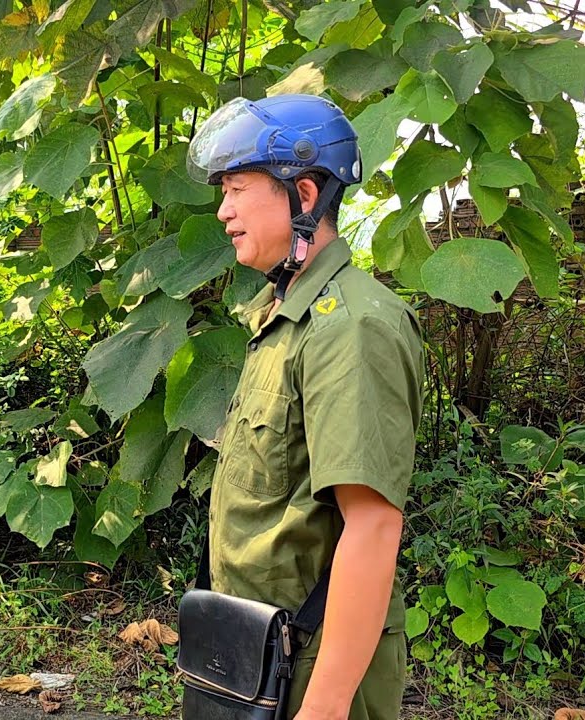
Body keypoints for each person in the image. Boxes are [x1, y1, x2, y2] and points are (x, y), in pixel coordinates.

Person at [186, 94, 424, 720]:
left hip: (312, 667)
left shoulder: (351, 328)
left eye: (238, 189)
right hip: (257, 649)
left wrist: (324, 707)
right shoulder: (286, 319)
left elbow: (372, 524)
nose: (224, 211)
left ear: (306, 194)